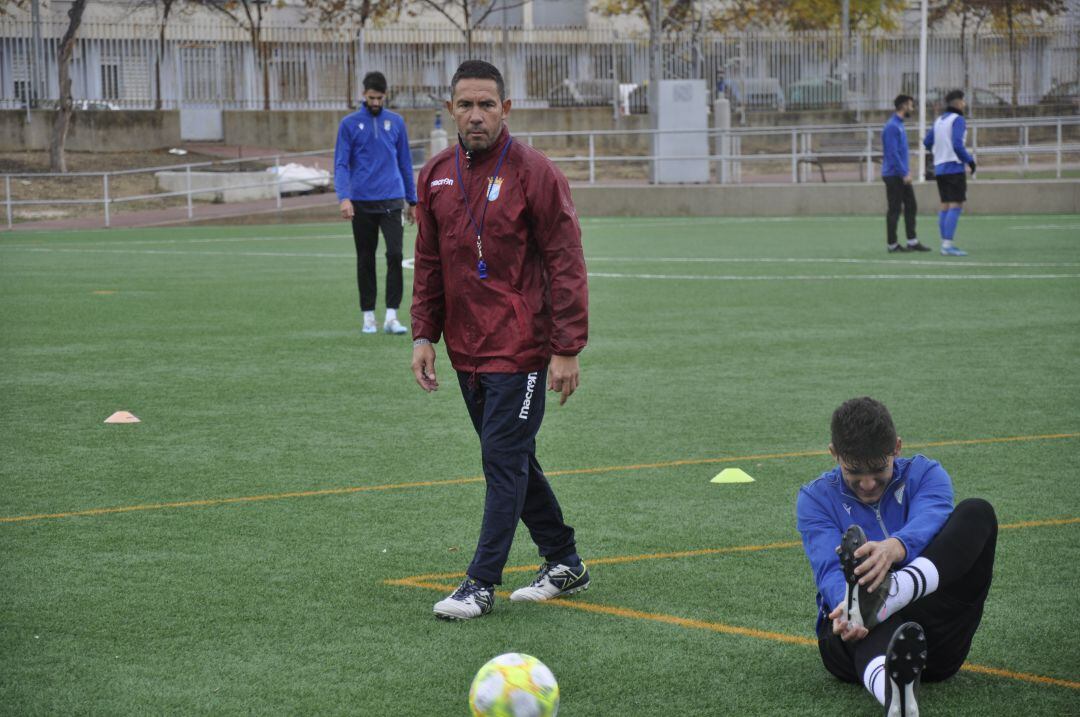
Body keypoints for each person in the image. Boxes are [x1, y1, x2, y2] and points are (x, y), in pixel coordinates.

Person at [410, 60, 590, 621]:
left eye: (486, 104)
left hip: (523, 347)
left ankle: (480, 583)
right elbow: (429, 261)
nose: (476, 115)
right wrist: (423, 333)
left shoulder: (536, 172)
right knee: (513, 457)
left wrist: (566, 347)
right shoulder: (435, 174)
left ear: (505, 109)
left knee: (502, 459)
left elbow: (565, 261)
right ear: (450, 109)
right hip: (466, 350)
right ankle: (564, 560)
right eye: (465, 105)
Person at [796, 397, 997, 716]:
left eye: (879, 469)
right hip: (851, 641)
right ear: (834, 454)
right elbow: (829, 568)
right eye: (853, 471)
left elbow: (931, 517)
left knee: (978, 512)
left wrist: (896, 547)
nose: (867, 484)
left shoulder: (926, 474)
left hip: (936, 634)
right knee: (861, 609)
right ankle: (894, 697)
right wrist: (846, 606)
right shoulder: (816, 498)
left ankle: (892, 593)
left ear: (897, 448)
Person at [334, 71, 417, 335]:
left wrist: (413, 200)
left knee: (395, 255)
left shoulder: (396, 122)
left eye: (380, 98)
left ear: (385, 96)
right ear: (364, 94)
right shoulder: (349, 124)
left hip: (392, 199)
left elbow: (405, 162)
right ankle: (368, 316)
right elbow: (341, 163)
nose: (376, 102)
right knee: (365, 258)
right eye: (371, 98)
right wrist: (344, 197)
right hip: (361, 202)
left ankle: (392, 316)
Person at [923, 89, 977, 256]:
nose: (964, 104)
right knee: (956, 204)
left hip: (940, 168)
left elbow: (927, 141)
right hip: (954, 166)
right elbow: (957, 144)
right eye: (963, 101)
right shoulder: (958, 119)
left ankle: (944, 243)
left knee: (945, 204)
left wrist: (938, 152)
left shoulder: (939, 120)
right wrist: (969, 161)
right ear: (958, 103)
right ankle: (947, 245)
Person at [881, 95, 929, 253]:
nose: (912, 108)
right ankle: (892, 244)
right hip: (894, 175)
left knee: (911, 205)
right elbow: (892, 153)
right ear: (903, 106)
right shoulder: (892, 126)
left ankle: (912, 241)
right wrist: (904, 173)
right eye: (911, 105)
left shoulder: (899, 125)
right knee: (895, 209)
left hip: (900, 173)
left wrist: (906, 171)